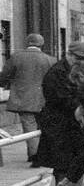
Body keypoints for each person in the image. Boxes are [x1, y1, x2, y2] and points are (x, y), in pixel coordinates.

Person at [34, 42, 84, 186]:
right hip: (60, 126)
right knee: (65, 165)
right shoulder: (57, 73)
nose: (83, 62)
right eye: (79, 58)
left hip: (70, 127)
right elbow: (64, 99)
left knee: (73, 164)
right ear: (69, 55)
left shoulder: (72, 71)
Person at [0, 33, 56, 163]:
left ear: (27, 43)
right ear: (42, 44)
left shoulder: (16, 57)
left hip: (23, 98)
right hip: (44, 99)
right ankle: (43, 153)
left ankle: (35, 155)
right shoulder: (50, 60)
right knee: (43, 126)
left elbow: (5, 76)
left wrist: (5, 84)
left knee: (29, 126)